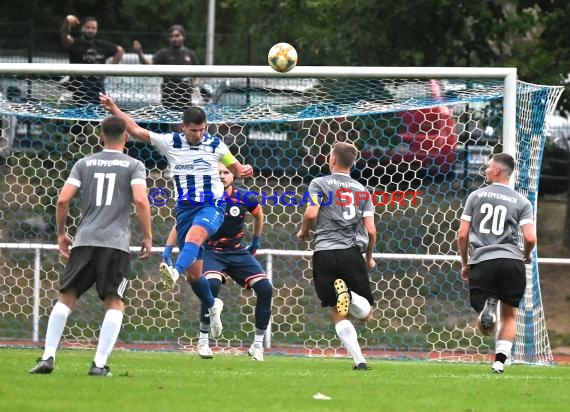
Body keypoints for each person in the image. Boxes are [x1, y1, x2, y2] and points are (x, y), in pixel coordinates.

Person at [99, 92, 253, 338]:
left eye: (202, 130)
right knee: (196, 277)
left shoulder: (216, 145)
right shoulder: (170, 142)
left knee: (194, 239)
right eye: (194, 130)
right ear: (184, 127)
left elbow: (236, 167)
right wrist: (113, 107)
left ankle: (175, 270)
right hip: (184, 210)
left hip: (212, 207)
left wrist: (244, 169)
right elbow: (136, 130)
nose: (199, 135)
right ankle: (213, 305)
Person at [29, 115, 152, 376]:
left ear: (100, 136)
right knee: (114, 302)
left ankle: (48, 357)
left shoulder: (84, 163)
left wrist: (61, 233)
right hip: (115, 245)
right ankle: (98, 364)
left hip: (84, 241)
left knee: (66, 297)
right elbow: (141, 201)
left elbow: (63, 200)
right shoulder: (134, 165)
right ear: (126, 137)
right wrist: (147, 235)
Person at [162, 163, 272, 361]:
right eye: (217, 173)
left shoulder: (245, 197)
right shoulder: (201, 198)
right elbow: (181, 225)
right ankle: (203, 341)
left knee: (266, 288)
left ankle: (257, 346)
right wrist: (168, 249)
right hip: (211, 251)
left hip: (237, 252)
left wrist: (255, 241)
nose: (221, 176)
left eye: (226, 172)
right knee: (211, 284)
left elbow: (258, 213)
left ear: (234, 175)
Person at [297, 141, 377, 370]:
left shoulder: (318, 183)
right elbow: (371, 231)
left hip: (323, 252)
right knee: (366, 314)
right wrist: (369, 257)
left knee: (337, 310)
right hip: (350, 253)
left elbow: (311, 213)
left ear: (332, 159)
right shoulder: (363, 191)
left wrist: (304, 231)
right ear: (352, 163)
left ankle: (359, 360)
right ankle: (351, 297)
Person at [457, 152, 536, 374]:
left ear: (497, 171)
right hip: (512, 261)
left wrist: (465, 263)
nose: (485, 170)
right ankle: (499, 362)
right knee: (510, 315)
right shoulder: (522, 202)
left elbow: (462, 235)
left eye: (488, 167)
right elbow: (530, 238)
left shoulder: (475, 196)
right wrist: (526, 255)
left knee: (485, 328)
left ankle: (486, 308)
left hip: (483, 261)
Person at [60, 15, 124, 104]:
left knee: (98, 114)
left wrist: (110, 70)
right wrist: (67, 22)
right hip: (78, 88)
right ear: (82, 28)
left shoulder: (101, 45)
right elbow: (64, 36)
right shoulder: (75, 43)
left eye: (94, 28)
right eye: (88, 27)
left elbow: (119, 50)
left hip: (97, 88)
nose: (91, 30)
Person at [133, 25, 199, 109]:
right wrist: (139, 53)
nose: (174, 39)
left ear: (183, 37)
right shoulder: (164, 53)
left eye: (177, 36)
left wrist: (195, 83)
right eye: (171, 36)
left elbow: (199, 73)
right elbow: (148, 64)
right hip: (168, 100)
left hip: (186, 100)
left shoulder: (190, 54)